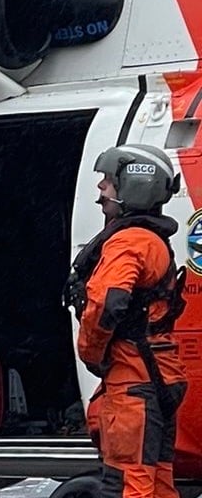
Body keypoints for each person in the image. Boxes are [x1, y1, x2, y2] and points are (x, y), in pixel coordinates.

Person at [65, 144, 189, 498]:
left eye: (108, 180)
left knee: (127, 484)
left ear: (134, 186)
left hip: (133, 382)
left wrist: (91, 354)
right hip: (158, 377)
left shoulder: (129, 241)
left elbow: (107, 303)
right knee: (157, 482)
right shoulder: (152, 240)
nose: (101, 187)